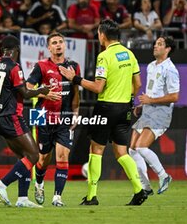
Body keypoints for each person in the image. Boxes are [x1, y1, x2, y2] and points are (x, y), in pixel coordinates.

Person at [59, 19, 147, 206]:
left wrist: (74, 78)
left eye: (99, 33)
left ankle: (92, 196)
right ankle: (139, 190)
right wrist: (126, 97)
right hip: (125, 108)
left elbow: (99, 87)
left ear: (103, 35)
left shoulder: (104, 56)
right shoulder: (129, 54)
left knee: (96, 150)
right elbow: (138, 84)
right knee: (122, 152)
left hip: (106, 108)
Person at [0, 35, 50, 208]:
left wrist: (1, 98)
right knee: (35, 155)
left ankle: (22, 198)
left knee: (24, 157)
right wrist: (42, 90)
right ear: (17, 50)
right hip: (11, 116)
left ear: (2, 50)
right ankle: (2, 184)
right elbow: (26, 93)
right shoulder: (14, 67)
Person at [26, 32, 80, 207]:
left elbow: (76, 92)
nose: (58, 45)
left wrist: (76, 112)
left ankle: (57, 197)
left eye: (61, 42)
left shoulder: (73, 66)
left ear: (65, 45)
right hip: (42, 116)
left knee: (63, 156)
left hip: (65, 116)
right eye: (54, 43)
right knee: (43, 159)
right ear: (49, 48)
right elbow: (27, 88)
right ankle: (39, 183)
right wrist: (45, 93)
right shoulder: (41, 66)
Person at [129, 36, 179, 196]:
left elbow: (174, 96)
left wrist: (151, 100)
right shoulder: (151, 66)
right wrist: (142, 104)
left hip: (161, 113)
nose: (155, 46)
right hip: (148, 110)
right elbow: (151, 91)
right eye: (155, 43)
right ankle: (146, 187)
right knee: (132, 150)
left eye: (160, 44)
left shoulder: (170, 69)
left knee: (141, 147)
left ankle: (164, 176)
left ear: (168, 49)